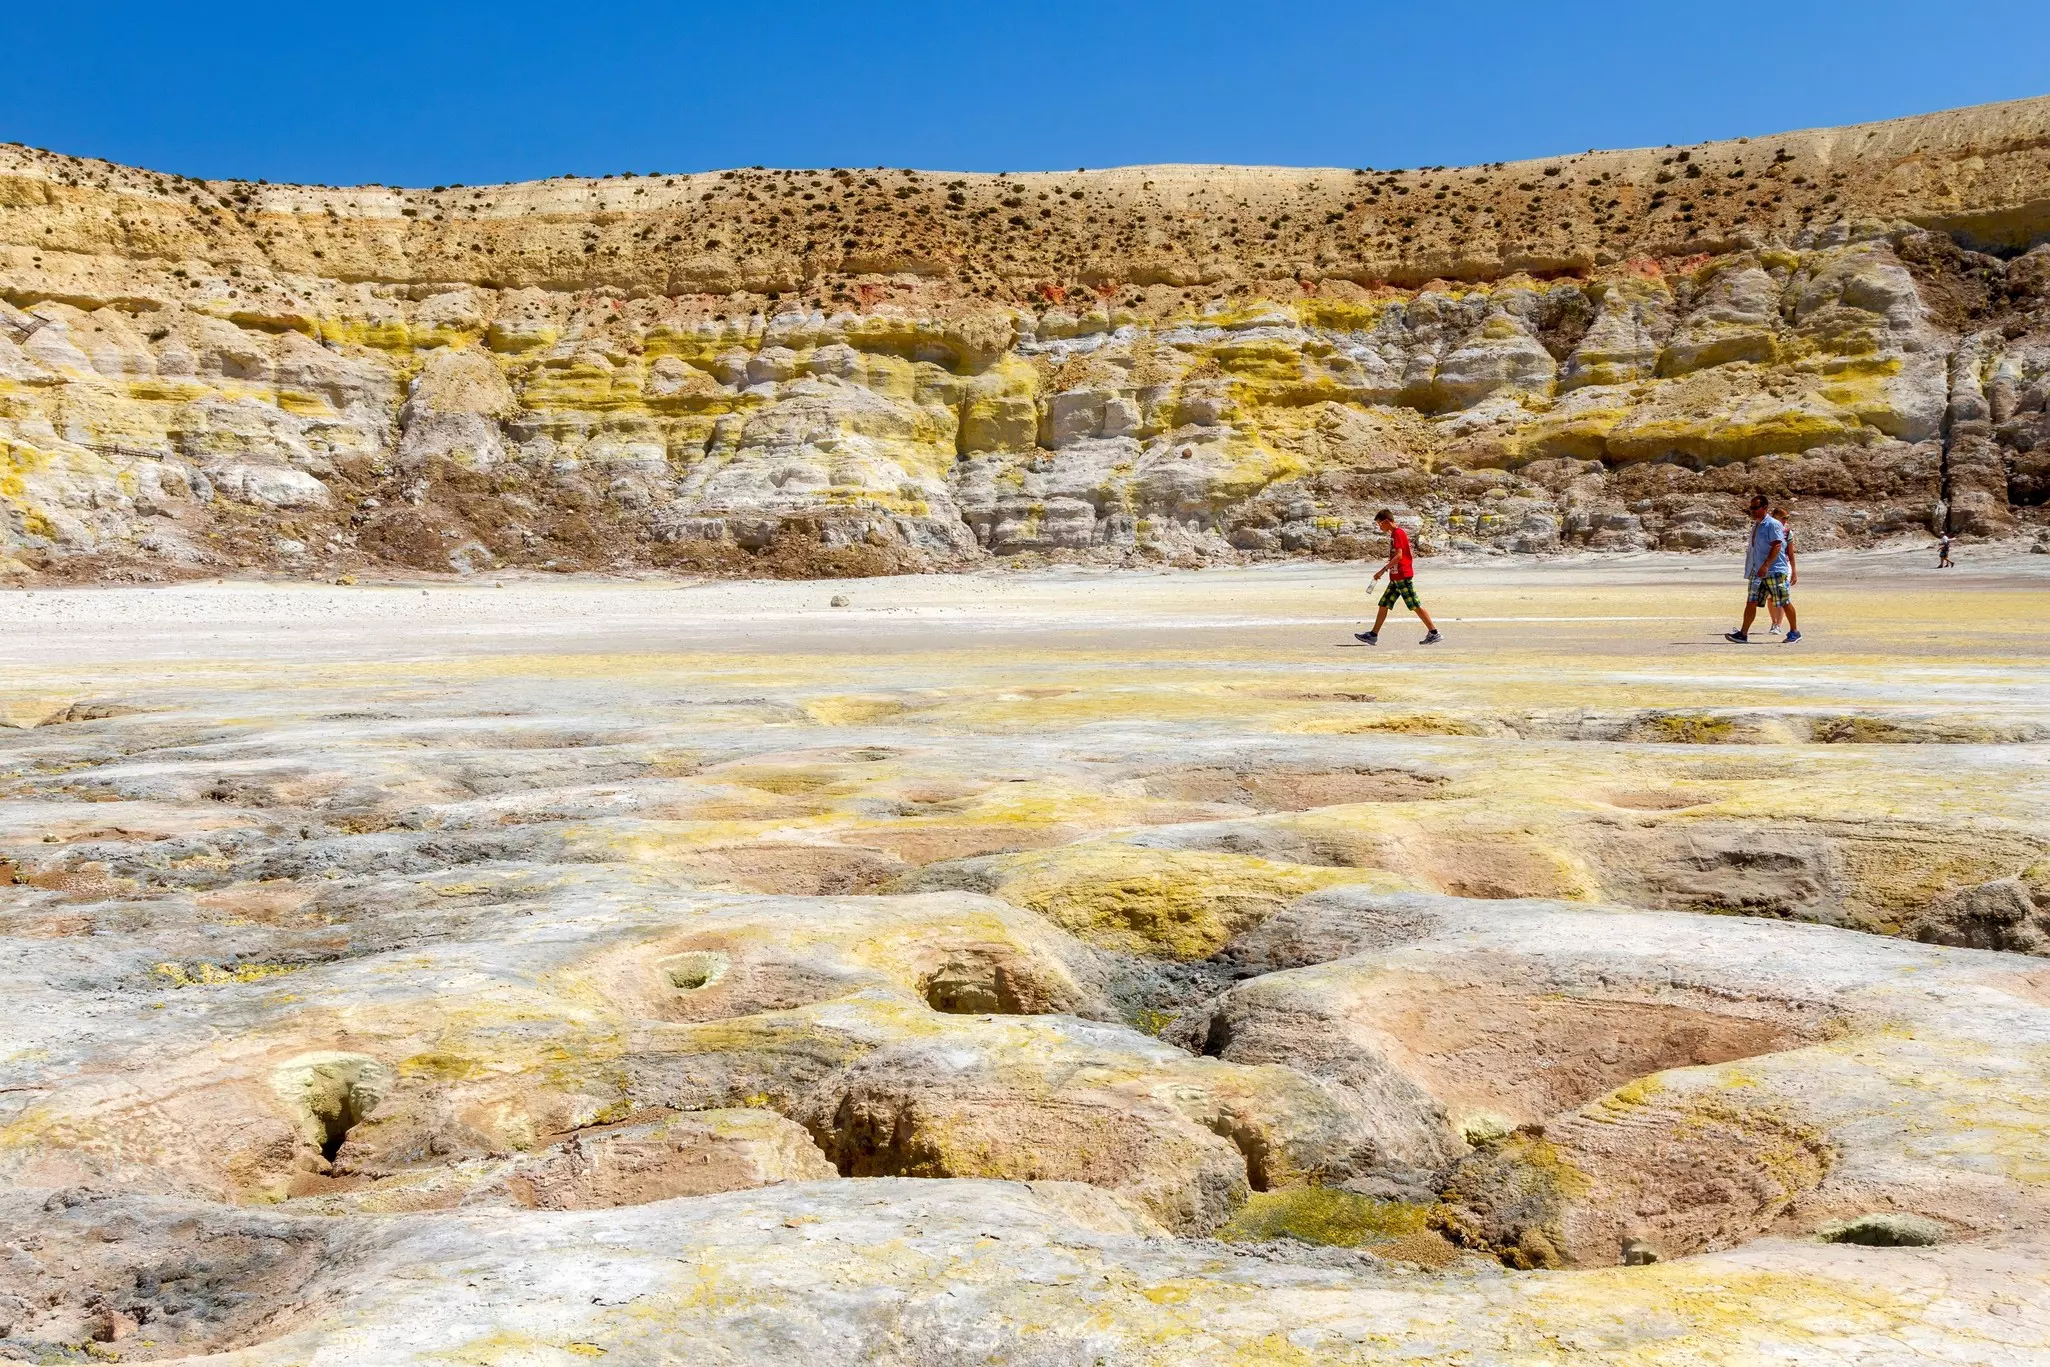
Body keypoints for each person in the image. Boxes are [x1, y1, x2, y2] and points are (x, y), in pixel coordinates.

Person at [1355, 509, 1441, 645]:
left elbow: (1399, 556)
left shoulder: (1398, 533)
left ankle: (1434, 633)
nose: (1380, 527)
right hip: (1396, 577)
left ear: (1387, 521)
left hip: (1402, 575)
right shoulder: (1394, 534)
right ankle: (1373, 635)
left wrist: (1383, 570)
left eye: (1380, 524)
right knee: (1384, 604)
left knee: (1415, 604)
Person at [1725, 495, 1799, 644]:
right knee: (1751, 602)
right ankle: (1743, 633)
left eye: (1755, 508)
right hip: (1758, 572)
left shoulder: (1773, 524)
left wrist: (1766, 565)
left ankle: (1794, 632)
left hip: (1774, 571)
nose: (1753, 511)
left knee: (1783, 601)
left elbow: (1777, 545)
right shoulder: (1756, 525)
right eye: (1751, 508)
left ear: (1765, 508)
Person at [1766, 505, 1798, 633]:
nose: (1786, 520)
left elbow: (1790, 553)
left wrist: (1794, 572)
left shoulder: (1787, 532)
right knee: (1770, 596)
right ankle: (1773, 622)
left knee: (1781, 595)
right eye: (1783, 518)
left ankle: (1778, 625)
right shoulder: (1767, 530)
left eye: (1787, 518)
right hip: (1768, 566)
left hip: (1783, 566)